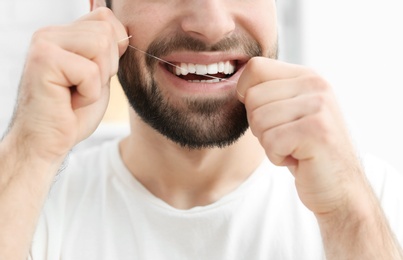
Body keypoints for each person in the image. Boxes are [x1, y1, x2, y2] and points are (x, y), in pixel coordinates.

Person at [0, 0, 402, 259]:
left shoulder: (376, 206)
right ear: (100, 10)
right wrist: (29, 151)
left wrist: (349, 216)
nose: (211, 24)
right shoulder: (32, 208)